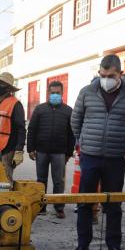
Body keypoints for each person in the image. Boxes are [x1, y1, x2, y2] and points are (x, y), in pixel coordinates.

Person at [70, 55, 125, 250]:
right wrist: (81, 141)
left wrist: (121, 141)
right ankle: (83, 243)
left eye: (111, 76)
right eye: (102, 75)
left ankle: (114, 246)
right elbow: (76, 120)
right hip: (90, 156)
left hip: (115, 158)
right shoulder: (87, 92)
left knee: (113, 204)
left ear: (120, 74)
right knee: (85, 201)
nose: (106, 79)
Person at [27, 81, 75, 219]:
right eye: (52, 93)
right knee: (41, 180)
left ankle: (59, 207)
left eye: (57, 93)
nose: (55, 95)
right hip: (41, 151)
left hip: (59, 152)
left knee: (58, 181)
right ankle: (41, 206)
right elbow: (32, 129)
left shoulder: (68, 111)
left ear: (62, 93)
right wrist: (31, 148)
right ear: (48, 93)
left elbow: (71, 133)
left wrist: (68, 153)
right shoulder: (40, 109)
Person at [0, 72, 26, 182]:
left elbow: (21, 128)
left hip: (7, 149)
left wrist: (19, 150)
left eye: (1, 84)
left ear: (8, 88)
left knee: (5, 180)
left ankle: (8, 199)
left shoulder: (15, 104)